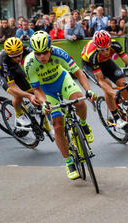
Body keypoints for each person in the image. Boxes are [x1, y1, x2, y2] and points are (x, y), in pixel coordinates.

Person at [24, 31, 96, 180]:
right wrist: (44, 103)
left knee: (80, 102)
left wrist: (88, 90)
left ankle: (83, 124)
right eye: (38, 53)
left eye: (44, 52)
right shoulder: (29, 63)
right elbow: (36, 89)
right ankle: (68, 161)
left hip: (62, 80)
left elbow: (78, 72)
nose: (42, 56)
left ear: (50, 49)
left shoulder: (59, 53)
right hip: (46, 90)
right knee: (57, 125)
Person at [81, 30, 128, 131]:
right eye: (102, 50)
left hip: (106, 62)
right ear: (97, 48)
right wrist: (113, 94)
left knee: (123, 84)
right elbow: (101, 80)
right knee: (107, 86)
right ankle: (116, 118)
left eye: (107, 49)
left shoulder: (115, 44)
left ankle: (124, 111)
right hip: (90, 65)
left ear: (110, 44)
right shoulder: (92, 55)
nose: (106, 52)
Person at [0, 37, 41, 130]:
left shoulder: (23, 48)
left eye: (19, 55)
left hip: (15, 69)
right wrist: (28, 96)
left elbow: (38, 57)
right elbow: (12, 87)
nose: (18, 58)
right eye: (14, 57)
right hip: (1, 73)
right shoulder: (3, 59)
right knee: (18, 94)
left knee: (32, 89)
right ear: (9, 54)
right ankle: (19, 115)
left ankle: (32, 108)